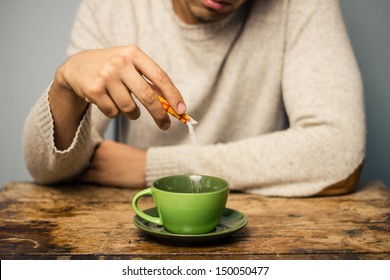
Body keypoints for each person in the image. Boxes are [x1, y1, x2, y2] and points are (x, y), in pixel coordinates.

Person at [23, 0, 366, 197]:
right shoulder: (112, 7)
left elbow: (339, 154)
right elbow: (49, 171)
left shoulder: (303, 6)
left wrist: (146, 167)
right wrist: (65, 87)